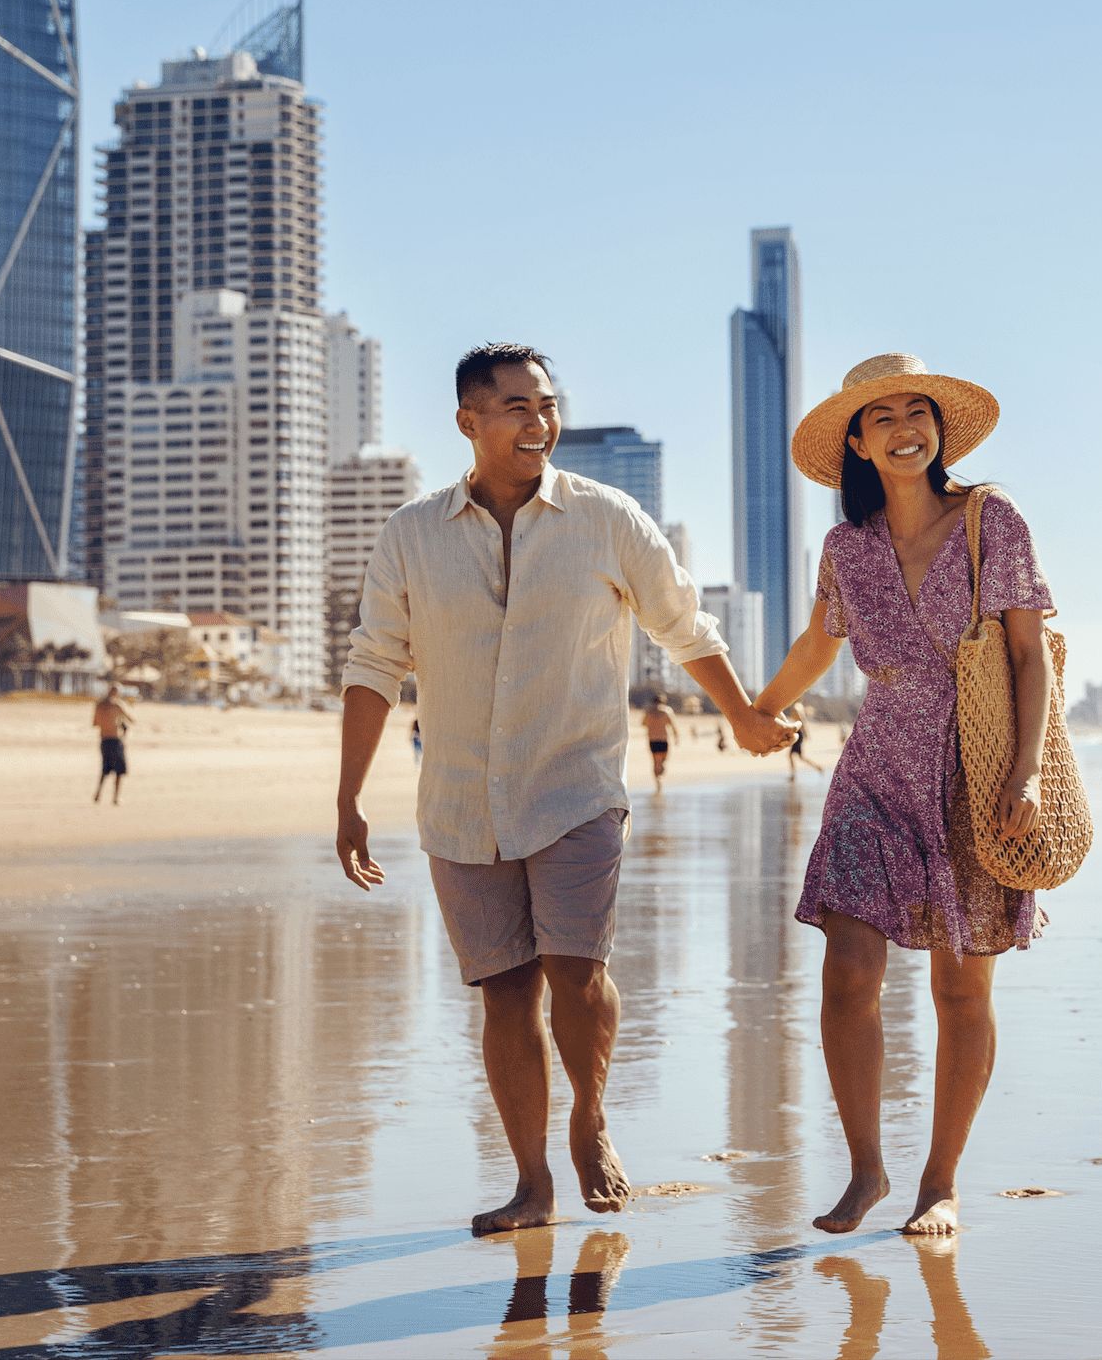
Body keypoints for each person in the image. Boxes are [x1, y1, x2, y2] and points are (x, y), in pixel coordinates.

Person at [334, 342, 796, 1235]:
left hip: (577, 785)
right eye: (514, 406)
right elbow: (375, 662)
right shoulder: (411, 534)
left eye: (547, 404)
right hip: (461, 800)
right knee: (506, 994)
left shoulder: (607, 517)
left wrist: (739, 713)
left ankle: (591, 1113)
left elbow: (682, 623)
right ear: (468, 421)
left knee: (577, 971)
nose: (538, 421)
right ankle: (531, 1182)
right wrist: (348, 795)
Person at [751, 354, 1054, 1237]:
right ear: (856, 440)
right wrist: (760, 707)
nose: (902, 425)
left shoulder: (991, 520)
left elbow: (1029, 655)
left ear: (940, 427)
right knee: (847, 970)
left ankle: (940, 1180)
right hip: (876, 768)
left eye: (916, 409)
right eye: (879, 415)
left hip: (975, 766)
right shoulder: (848, 546)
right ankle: (866, 1167)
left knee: (961, 990)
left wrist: (1024, 771)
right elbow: (819, 639)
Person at [91, 685, 133, 804]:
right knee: (119, 770)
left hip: (104, 740)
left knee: (105, 769)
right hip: (115, 739)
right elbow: (131, 719)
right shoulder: (117, 705)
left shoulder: (99, 705)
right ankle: (115, 797)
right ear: (116, 693)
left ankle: (98, 793)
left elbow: (95, 723)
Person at [641, 693, 675, 784]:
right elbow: (673, 725)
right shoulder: (667, 711)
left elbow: (643, 724)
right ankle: (660, 774)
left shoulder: (648, 712)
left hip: (652, 739)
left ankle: (657, 780)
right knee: (663, 760)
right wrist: (676, 737)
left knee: (655, 761)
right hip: (663, 739)